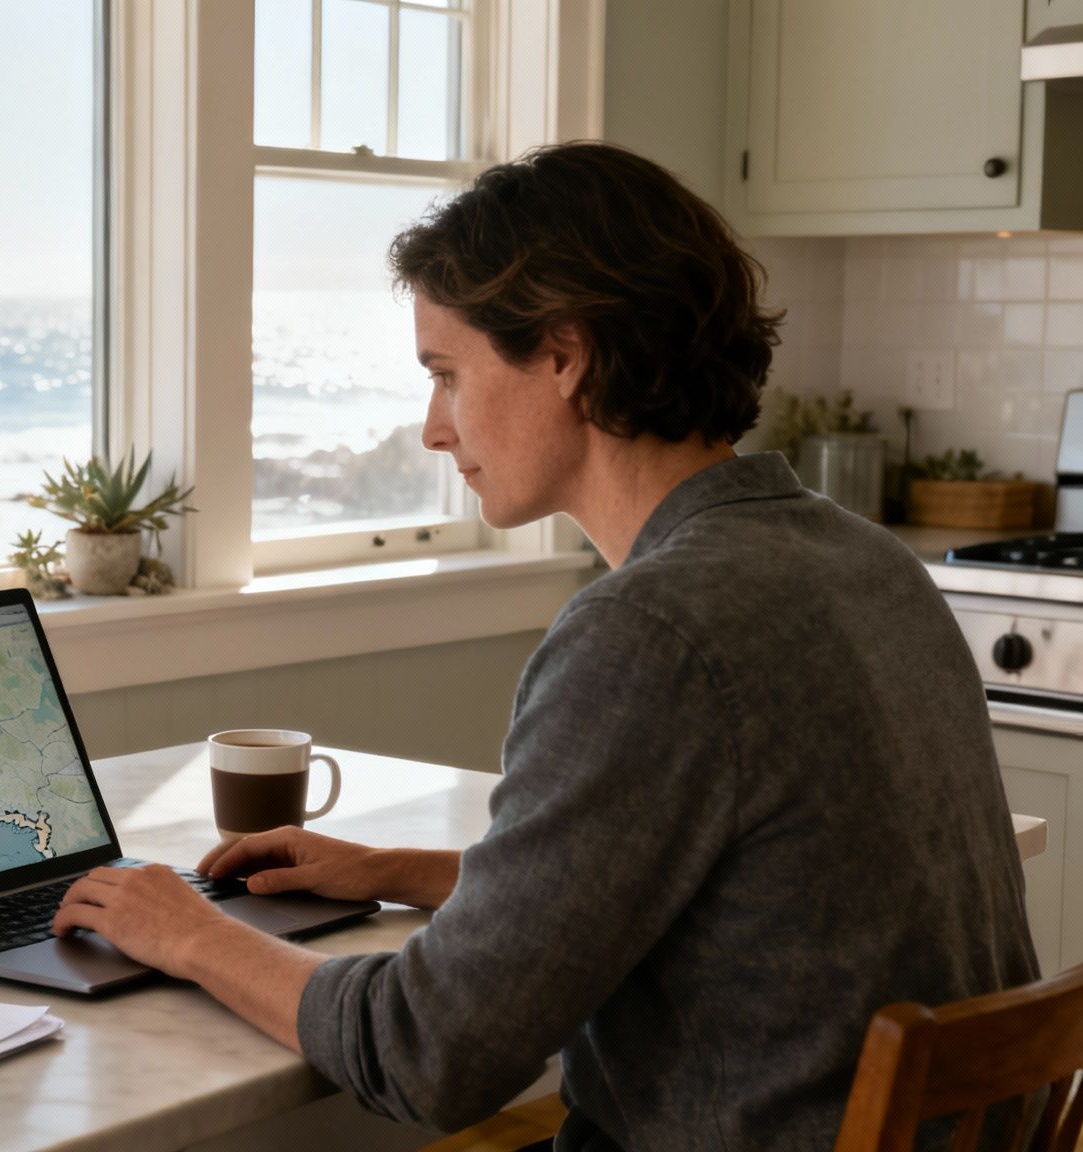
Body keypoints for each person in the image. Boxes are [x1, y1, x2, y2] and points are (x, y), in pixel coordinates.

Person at [50, 141, 1038, 1150]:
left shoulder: (649, 634)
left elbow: (426, 1053)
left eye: (446, 374)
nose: (433, 429)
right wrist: (399, 868)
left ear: (564, 356)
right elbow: (730, 886)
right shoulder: (863, 562)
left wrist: (184, 933)